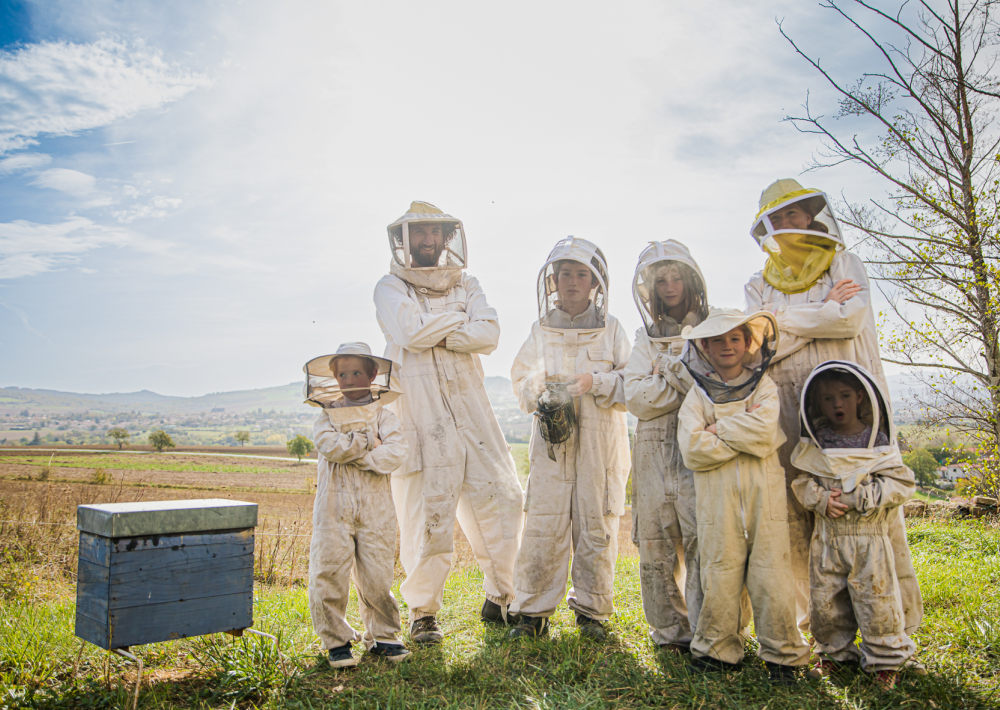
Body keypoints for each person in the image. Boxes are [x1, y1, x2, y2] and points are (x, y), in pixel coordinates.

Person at [744, 179, 922, 636]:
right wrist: (822, 310)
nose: (786, 223)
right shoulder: (758, 283)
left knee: (871, 506)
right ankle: (821, 625)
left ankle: (892, 625)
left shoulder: (843, 263)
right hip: (788, 405)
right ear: (766, 227)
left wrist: (785, 321)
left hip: (851, 398)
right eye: (777, 218)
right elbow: (759, 348)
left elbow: (848, 320)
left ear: (810, 215)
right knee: (802, 504)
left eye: (793, 213)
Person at [373, 201, 524, 644]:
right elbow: (408, 333)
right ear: (404, 240)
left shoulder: (466, 283)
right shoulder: (390, 286)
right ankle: (423, 613)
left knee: (504, 496)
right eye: (419, 233)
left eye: (435, 232)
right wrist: (459, 322)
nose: (428, 240)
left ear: (446, 237)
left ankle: (502, 596)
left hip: (471, 404)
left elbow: (489, 334)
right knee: (427, 512)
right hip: (418, 409)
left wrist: (435, 329)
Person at [676, 308, 810, 684]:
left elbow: (765, 432)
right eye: (717, 340)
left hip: (764, 495)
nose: (727, 346)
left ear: (749, 342)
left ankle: (783, 655)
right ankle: (718, 651)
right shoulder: (697, 394)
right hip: (716, 500)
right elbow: (693, 448)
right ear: (704, 347)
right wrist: (740, 432)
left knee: (772, 574)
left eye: (734, 338)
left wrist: (717, 428)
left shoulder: (763, 386)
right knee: (719, 571)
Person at [508, 237, 632, 640]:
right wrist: (537, 383)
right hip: (551, 445)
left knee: (596, 525)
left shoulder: (612, 329)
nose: (573, 282)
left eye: (582, 274)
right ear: (553, 281)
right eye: (565, 274)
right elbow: (520, 380)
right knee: (543, 523)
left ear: (596, 283)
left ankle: (592, 613)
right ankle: (532, 613)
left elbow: (633, 384)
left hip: (601, 445)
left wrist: (595, 381)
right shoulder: (540, 330)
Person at [790, 361, 917, 690]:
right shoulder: (818, 441)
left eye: (845, 395)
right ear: (817, 404)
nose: (837, 404)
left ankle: (885, 662)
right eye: (828, 398)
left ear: (860, 397)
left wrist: (863, 497)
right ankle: (833, 655)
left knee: (877, 601)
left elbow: (901, 484)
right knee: (826, 601)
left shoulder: (878, 441)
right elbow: (802, 482)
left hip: (869, 538)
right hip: (827, 536)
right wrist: (820, 499)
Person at [624, 241, 709, 653]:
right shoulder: (644, 338)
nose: (670, 287)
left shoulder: (714, 327)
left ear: (691, 281)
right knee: (654, 543)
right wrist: (684, 378)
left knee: (703, 539)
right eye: (661, 280)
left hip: (701, 444)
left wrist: (665, 371)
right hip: (652, 447)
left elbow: (712, 386)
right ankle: (670, 633)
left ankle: (710, 630)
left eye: (676, 278)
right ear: (651, 288)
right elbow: (636, 398)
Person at [303, 342, 410, 667]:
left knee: (377, 574)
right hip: (333, 505)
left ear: (373, 374)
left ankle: (384, 637)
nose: (349, 380)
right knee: (329, 570)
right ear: (334, 378)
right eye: (343, 375)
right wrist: (367, 442)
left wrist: (355, 455)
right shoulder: (326, 416)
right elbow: (329, 447)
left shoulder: (384, 416)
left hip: (376, 506)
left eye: (356, 373)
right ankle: (336, 642)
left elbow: (396, 452)